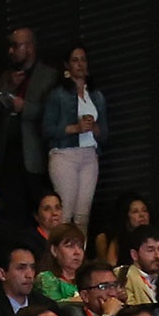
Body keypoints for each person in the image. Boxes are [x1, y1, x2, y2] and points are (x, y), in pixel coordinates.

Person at [37, 46, 104, 230]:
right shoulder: (58, 94)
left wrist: (95, 128)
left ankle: (78, 254)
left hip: (89, 154)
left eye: (83, 59)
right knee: (64, 212)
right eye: (75, 60)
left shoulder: (96, 95)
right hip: (65, 153)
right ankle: (58, 254)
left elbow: (105, 132)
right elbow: (46, 129)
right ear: (67, 65)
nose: (80, 64)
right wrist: (76, 128)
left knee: (83, 214)